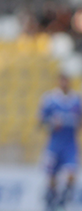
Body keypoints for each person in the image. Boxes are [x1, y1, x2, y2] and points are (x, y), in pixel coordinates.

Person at [40, 73, 82, 211]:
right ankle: (52, 199)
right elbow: (41, 122)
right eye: (62, 81)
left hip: (70, 144)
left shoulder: (77, 100)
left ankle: (63, 200)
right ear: (58, 82)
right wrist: (52, 124)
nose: (64, 83)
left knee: (71, 174)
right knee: (52, 176)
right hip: (54, 144)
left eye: (66, 81)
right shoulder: (49, 99)